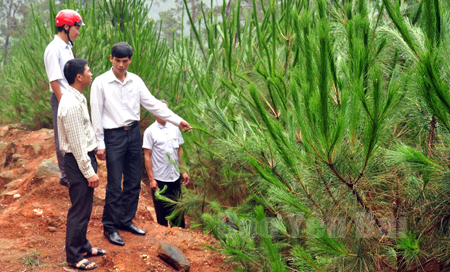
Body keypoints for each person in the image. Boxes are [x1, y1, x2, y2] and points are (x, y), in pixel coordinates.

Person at [90, 42, 192, 246]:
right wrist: (99, 143)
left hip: (134, 134)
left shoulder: (135, 81)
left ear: (130, 61)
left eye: (124, 61)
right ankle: (110, 227)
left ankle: (126, 220)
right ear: (111, 59)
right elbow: (96, 114)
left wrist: (177, 120)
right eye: (117, 61)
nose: (120, 65)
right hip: (113, 136)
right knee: (114, 184)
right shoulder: (100, 83)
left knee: (134, 181)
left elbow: (153, 103)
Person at [58, 58, 107, 271]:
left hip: (84, 158)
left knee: (85, 207)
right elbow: (76, 145)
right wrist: (89, 172)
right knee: (79, 209)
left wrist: (95, 148)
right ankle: (74, 257)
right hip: (78, 163)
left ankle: (83, 245)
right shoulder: (70, 104)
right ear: (79, 77)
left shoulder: (77, 98)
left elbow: (83, 134)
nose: (91, 73)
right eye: (88, 70)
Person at [44, 9, 85, 187]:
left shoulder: (67, 47)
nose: (78, 31)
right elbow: (54, 79)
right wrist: (62, 102)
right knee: (62, 136)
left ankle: (73, 171)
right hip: (61, 98)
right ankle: (65, 176)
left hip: (70, 97)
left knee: (73, 134)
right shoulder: (53, 49)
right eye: (77, 27)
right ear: (66, 26)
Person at [143, 100, 190, 228]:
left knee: (178, 211)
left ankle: (179, 239)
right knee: (162, 216)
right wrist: (151, 179)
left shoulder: (175, 128)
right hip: (160, 179)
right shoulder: (150, 132)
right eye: (160, 110)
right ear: (154, 113)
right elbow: (147, 156)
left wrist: (183, 171)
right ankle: (164, 242)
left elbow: (180, 150)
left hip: (174, 176)